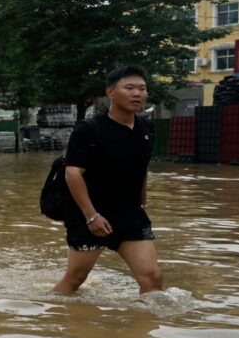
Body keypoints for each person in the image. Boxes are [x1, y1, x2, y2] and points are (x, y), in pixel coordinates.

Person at [53, 64, 163, 295]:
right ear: (111, 92)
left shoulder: (146, 128)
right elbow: (72, 173)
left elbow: (140, 168)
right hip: (90, 215)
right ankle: (52, 314)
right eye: (129, 88)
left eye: (142, 89)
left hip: (130, 214)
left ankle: (144, 328)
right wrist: (91, 216)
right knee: (76, 278)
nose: (137, 94)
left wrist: (142, 204)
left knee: (152, 278)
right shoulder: (89, 130)